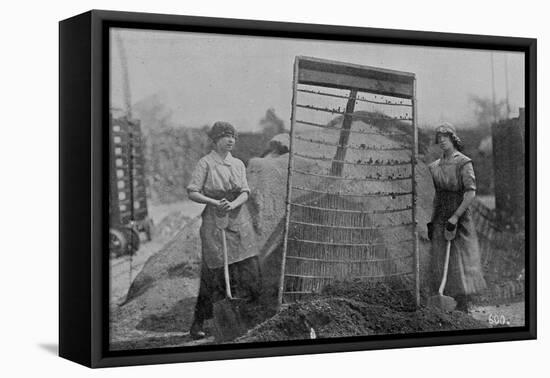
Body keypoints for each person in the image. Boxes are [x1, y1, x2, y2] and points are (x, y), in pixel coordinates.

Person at [187, 121, 261, 339]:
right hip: (215, 219)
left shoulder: (238, 164)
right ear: (215, 140)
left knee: (250, 269)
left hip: (239, 219)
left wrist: (235, 203)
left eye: (233, 137)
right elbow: (192, 192)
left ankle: (247, 321)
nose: (231, 140)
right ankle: (198, 323)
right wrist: (213, 201)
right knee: (214, 273)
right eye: (225, 136)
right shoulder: (206, 163)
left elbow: (245, 191)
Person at [427, 123, 486, 312]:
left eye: (446, 136)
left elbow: (470, 193)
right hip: (441, 213)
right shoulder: (435, 166)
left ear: (453, 138)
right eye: (439, 137)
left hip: (459, 213)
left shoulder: (463, 162)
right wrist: (432, 219)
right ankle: (446, 302)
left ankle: (463, 304)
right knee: (440, 255)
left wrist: (455, 217)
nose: (442, 140)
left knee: (460, 257)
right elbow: (435, 195)